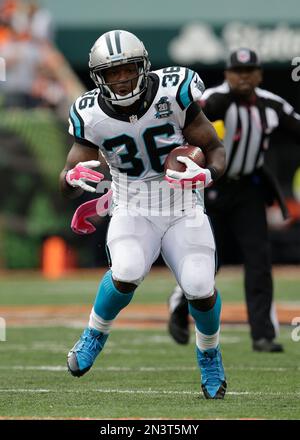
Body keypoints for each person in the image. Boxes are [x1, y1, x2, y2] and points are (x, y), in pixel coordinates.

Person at [59, 30, 227, 399]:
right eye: (112, 72)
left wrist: (208, 173)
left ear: (144, 66)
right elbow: (67, 177)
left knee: (200, 287)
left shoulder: (174, 89)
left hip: (182, 203)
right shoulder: (89, 113)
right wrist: (72, 177)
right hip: (132, 204)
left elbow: (214, 148)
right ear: (98, 77)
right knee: (127, 271)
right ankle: (94, 333)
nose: (121, 80)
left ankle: (210, 355)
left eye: (128, 69)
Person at [168, 47, 300, 353]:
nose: (243, 77)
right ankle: (178, 303)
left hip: (249, 189)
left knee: (258, 260)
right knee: (207, 258)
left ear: (259, 74)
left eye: (249, 71)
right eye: (237, 72)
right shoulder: (211, 101)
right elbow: (180, 129)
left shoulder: (271, 104)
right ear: (227, 74)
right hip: (209, 185)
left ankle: (263, 334)